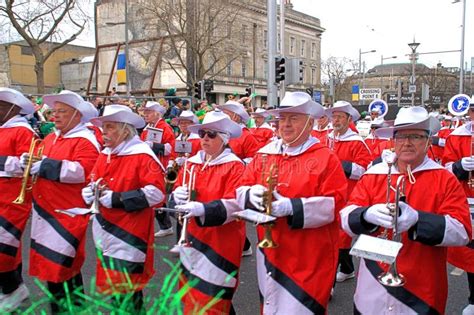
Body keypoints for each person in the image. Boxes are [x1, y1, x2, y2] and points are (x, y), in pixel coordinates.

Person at [340, 106, 471, 314]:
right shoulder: (374, 174)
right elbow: (346, 218)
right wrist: (365, 215)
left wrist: (418, 220)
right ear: (393, 141)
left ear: (428, 141)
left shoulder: (444, 178)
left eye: (415, 136)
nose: (407, 143)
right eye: (401, 137)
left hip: (421, 288)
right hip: (372, 283)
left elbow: (462, 232)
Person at [236, 92, 347, 314]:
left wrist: (291, 207)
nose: (285, 125)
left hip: (308, 256)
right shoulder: (265, 154)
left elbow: (335, 204)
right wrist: (251, 194)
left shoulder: (326, 158)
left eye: (293, 118)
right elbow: (240, 187)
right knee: (270, 306)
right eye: (282, 119)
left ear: (309, 123)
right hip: (269, 251)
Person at [22, 90, 100, 313]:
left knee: (63, 267)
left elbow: (82, 171)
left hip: (68, 212)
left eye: (61, 112)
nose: (55, 116)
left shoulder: (86, 141)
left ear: (77, 115)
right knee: (52, 269)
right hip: (45, 211)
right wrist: (29, 162)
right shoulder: (50, 138)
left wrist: (45, 165)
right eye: (54, 112)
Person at [82, 105, 165, 312]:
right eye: (103, 128)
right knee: (116, 289)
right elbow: (94, 180)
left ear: (125, 131)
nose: (103, 133)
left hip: (130, 232)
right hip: (106, 230)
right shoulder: (106, 153)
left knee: (127, 291)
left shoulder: (142, 155)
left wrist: (117, 199)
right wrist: (89, 192)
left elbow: (156, 194)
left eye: (109, 127)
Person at [169, 110, 245, 313]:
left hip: (220, 241)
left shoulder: (235, 166)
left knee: (214, 295)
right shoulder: (192, 163)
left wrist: (203, 209)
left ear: (224, 139)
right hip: (193, 238)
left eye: (211, 134)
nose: (204, 138)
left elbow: (236, 204)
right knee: (195, 294)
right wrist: (176, 196)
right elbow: (177, 192)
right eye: (202, 133)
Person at [326, 100, 372, 283]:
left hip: (348, 193)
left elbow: (365, 169)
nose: (335, 120)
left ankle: (329, 283)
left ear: (348, 119)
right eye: (334, 116)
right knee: (331, 234)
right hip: (328, 192)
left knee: (342, 235)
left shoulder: (356, 142)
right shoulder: (327, 137)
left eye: (339, 117)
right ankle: (347, 267)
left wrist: (339, 165)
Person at [0, 88, 36, 312]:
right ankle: (11, 289)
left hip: (12, 198)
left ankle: (14, 290)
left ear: (11, 109)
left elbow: (28, 164)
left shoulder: (23, 131)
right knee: (7, 249)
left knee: (3, 249)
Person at [442, 102, 474, 315]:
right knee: (471, 254)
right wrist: (461, 165)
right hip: (469, 201)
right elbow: (446, 169)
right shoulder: (457, 136)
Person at [141, 101, 175, 237]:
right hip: (150, 164)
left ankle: (167, 225)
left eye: (148, 112)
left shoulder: (164, 127)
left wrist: (153, 146)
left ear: (157, 113)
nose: (145, 114)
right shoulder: (148, 127)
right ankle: (166, 225)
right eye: (145, 112)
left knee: (158, 196)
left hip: (159, 165)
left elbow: (170, 148)